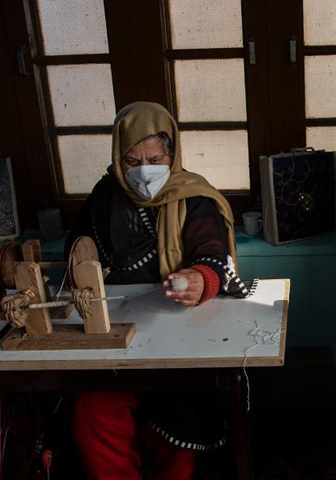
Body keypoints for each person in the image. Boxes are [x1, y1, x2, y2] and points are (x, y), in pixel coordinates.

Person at [65, 101, 251, 479]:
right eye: (132, 162)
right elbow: (78, 254)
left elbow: (213, 256)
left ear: (172, 154)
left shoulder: (195, 197)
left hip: (180, 338)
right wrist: (84, 272)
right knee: (93, 414)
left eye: (154, 157)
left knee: (178, 423)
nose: (144, 170)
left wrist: (200, 280)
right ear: (119, 160)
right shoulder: (104, 200)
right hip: (116, 339)